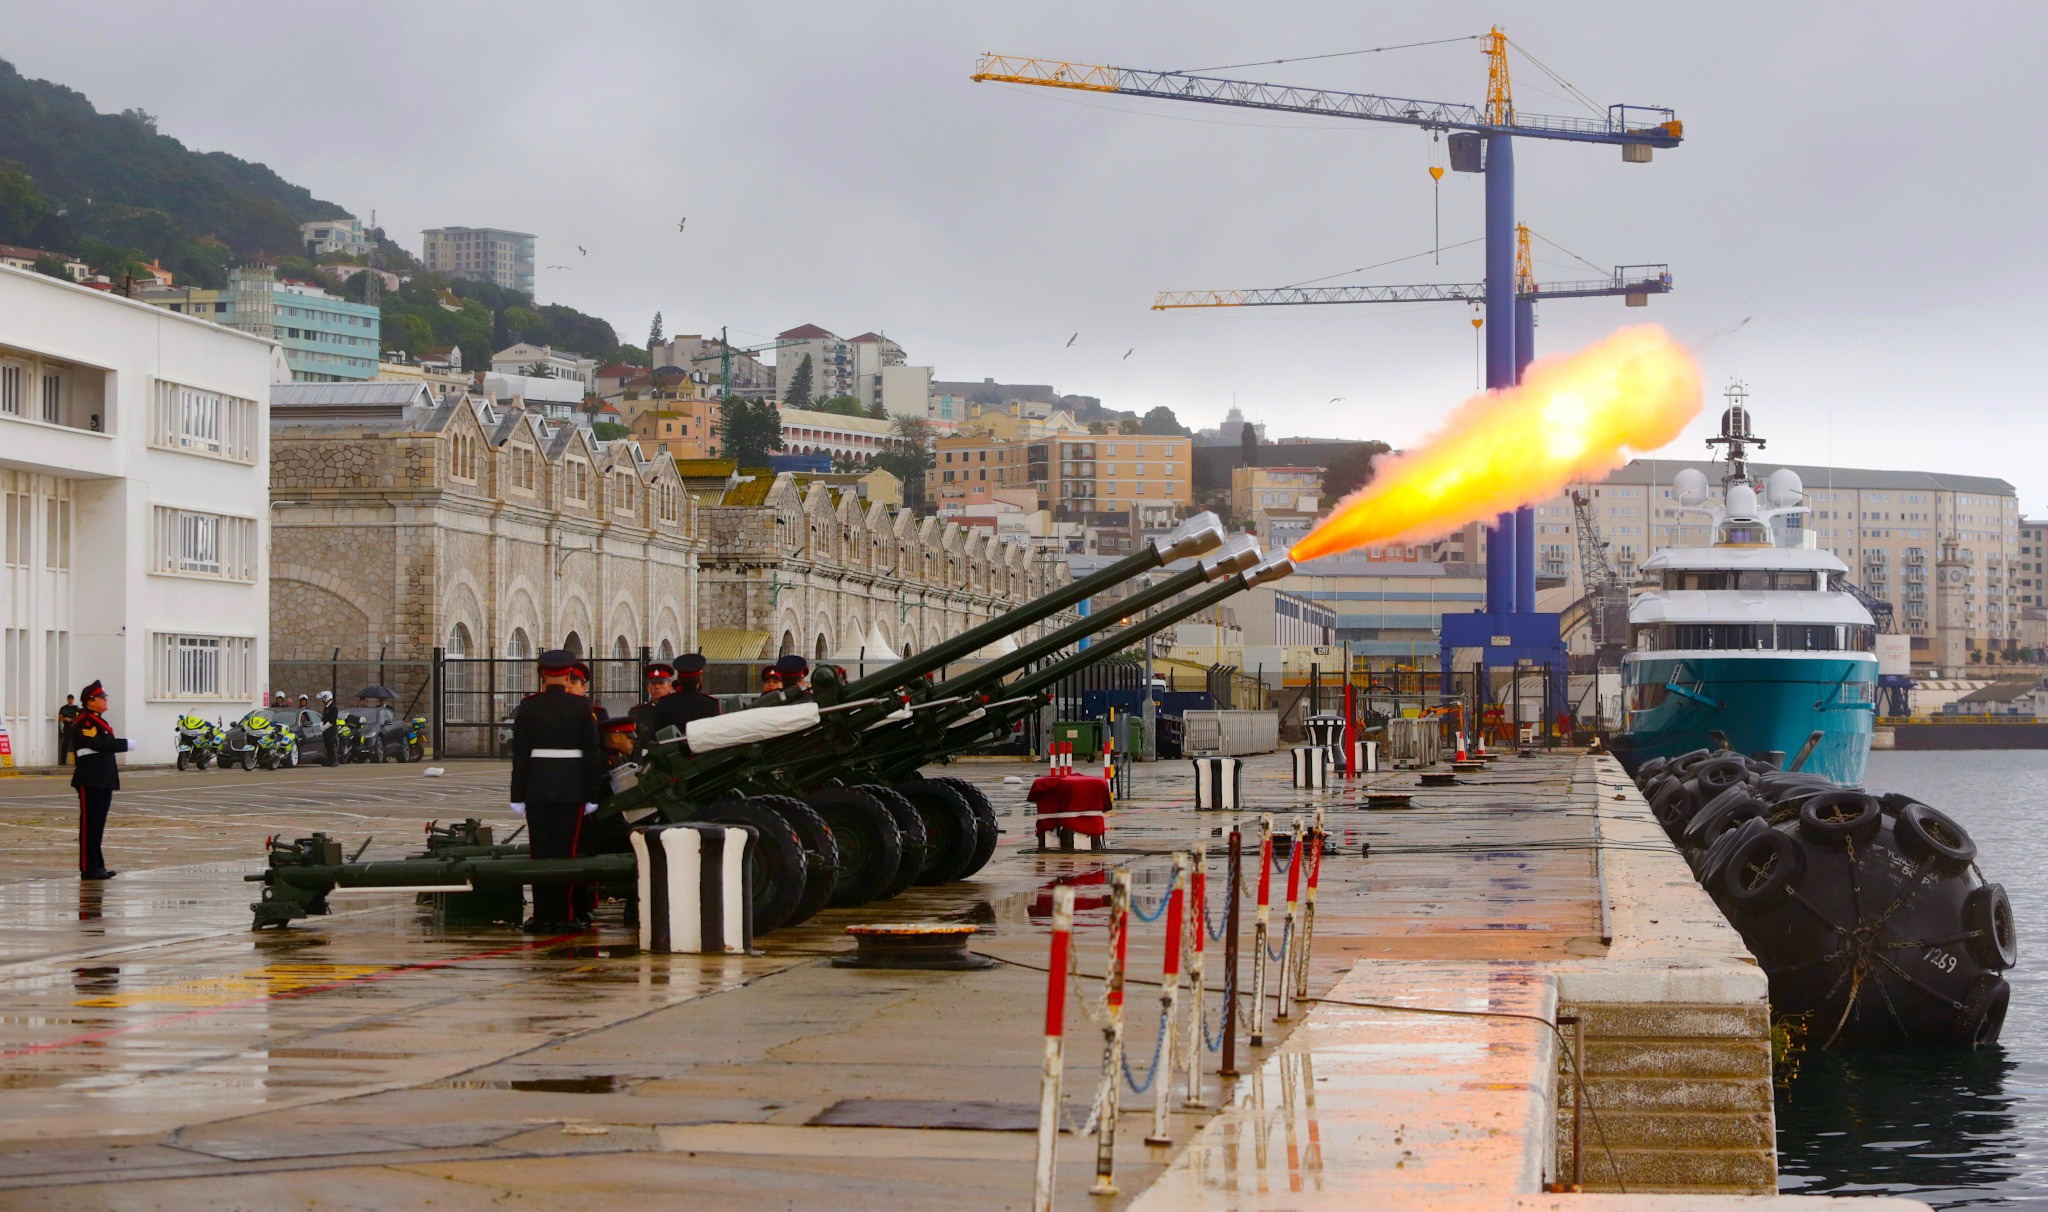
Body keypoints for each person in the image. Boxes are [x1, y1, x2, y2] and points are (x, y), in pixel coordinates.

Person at [509, 649, 605, 931]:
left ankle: (542, 915)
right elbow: (592, 755)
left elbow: (520, 756)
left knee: (539, 853)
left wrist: (517, 795)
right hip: (571, 788)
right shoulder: (582, 708)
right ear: (567, 675)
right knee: (566, 852)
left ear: (542, 675)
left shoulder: (528, 707)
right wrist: (592, 795)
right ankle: (564, 914)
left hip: (536, 788)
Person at [65, 680, 128, 880]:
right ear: (91, 701)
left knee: (98, 824)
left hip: (102, 778)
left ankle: (97, 865)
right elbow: (98, 743)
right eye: (102, 697)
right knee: (89, 824)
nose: (105, 700)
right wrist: (125, 744)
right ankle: (88, 867)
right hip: (90, 778)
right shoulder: (85, 721)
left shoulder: (99, 720)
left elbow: (104, 743)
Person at [655, 653, 721, 733]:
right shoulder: (711, 704)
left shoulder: (665, 703)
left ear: (678, 680)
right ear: (700, 679)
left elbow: (658, 734)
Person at [56, 695, 80, 766]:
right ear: (67, 699)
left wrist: (74, 720)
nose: (70, 700)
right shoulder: (64, 708)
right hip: (67, 727)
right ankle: (63, 761)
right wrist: (66, 719)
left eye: (71, 699)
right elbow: (60, 718)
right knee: (65, 744)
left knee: (76, 744)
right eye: (69, 699)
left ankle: (77, 761)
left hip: (75, 728)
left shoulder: (76, 708)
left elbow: (79, 717)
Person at [318, 690, 339, 766]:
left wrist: (325, 726)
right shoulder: (326, 708)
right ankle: (329, 760)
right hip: (326, 730)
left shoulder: (334, 708)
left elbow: (332, 720)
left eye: (323, 698)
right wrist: (321, 724)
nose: (322, 700)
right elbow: (323, 717)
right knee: (327, 745)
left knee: (331, 745)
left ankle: (334, 760)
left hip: (331, 730)